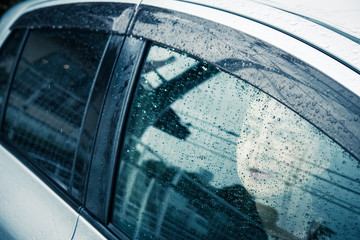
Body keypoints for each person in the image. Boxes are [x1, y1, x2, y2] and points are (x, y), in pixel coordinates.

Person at [236, 94, 331, 239]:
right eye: (251, 129)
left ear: (322, 159)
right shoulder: (212, 208)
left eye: (283, 135)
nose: (259, 151)